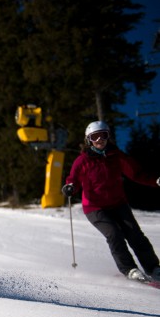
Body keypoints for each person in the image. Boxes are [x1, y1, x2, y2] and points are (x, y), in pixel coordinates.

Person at [62, 120, 160, 283]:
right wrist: (70, 187)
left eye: (103, 135)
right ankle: (129, 269)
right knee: (114, 234)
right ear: (89, 140)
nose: (99, 140)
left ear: (108, 137)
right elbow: (73, 179)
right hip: (95, 207)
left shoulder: (116, 156)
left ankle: (153, 268)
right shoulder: (83, 161)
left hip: (118, 203)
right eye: (95, 137)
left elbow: (136, 174)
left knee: (135, 234)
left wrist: (155, 180)